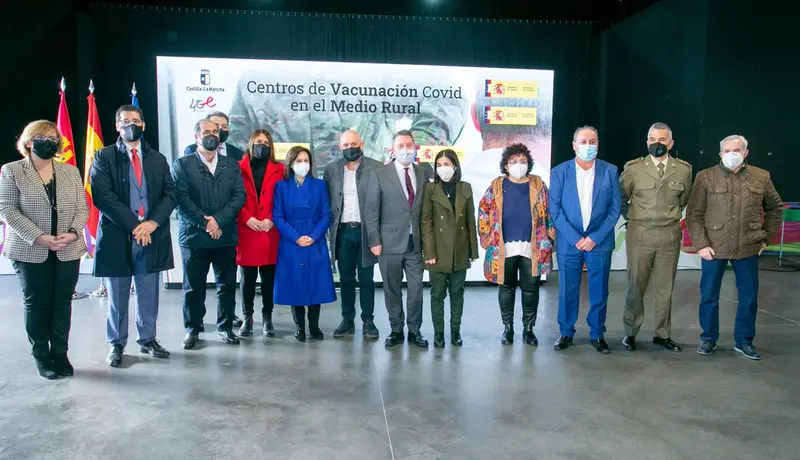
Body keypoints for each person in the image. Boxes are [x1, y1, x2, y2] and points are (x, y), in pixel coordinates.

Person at [0, 120, 88, 379]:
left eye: (53, 138)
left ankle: (60, 353)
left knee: (62, 304)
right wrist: (38, 237)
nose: (50, 143)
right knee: (37, 304)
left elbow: (83, 208)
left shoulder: (70, 172)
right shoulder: (11, 171)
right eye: (43, 138)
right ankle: (41, 356)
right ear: (29, 142)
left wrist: (72, 233)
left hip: (67, 249)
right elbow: (7, 209)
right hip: (30, 249)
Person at [90, 105, 176, 367]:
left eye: (136, 120)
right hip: (118, 234)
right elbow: (103, 196)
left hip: (151, 235)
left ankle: (148, 338)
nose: (131, 125)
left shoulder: (157, 159)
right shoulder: (103, 157)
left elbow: (170, 194)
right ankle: (116, 343)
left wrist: (151, 223)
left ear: (144, 125)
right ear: (117, 126)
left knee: (148, 291)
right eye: (125, 121)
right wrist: (134, 226)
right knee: (117, 293)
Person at [686, 135, 783, 360]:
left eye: (737, 149)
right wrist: (701, 244)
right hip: (713, 249)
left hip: (747, 248)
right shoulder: (705, 177)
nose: (732, 154)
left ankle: (744, 341)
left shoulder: (761, 177)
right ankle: (708, 338)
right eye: (727, 150)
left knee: (748, 298)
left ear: (746, 152)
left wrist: (765, 238)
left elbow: (775, 208)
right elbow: (694, 214)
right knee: (708, 296)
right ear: (720, 153)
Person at [173, 119, 246, 349]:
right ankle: (193, 328)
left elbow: (238, 197)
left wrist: (218, 221)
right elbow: (181, 200)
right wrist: (207, 223)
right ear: (197, 136)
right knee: (193, 287)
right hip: (194, 237)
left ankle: (225, 327)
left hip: (224, 235)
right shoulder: (182, 164)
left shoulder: (231, 165)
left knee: (226, 285)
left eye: (215, 131)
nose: (212, 135)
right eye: (206, 132)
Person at [620, 122, 693, 352]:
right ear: (647, 142)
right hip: (640, 233)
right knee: (635, 286)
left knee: (665, 288)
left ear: (670, 143)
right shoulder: (633, 169)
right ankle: (630, 333)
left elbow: (683, 200)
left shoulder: (683, 170)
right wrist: (636, 217)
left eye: (662, 140)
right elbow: (622, 198)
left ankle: (662, 334)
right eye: (652, 139)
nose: (656, 144)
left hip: (669, 235)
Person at [549, 126, 621, 354]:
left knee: (599, 290)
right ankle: (566, 332)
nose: (588, 145)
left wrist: (594, 238)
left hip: (599, 242)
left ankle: (597, 333)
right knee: (568, 290)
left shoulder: (610, 171)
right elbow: (555, 209)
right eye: (583, 141)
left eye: (592, 141)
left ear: (598, 144)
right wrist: (575, 238)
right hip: (570, 242)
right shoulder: (560, 172)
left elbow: (615, 208)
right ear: (574, 145)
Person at [478, 143, 555, 346]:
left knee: (531, 289)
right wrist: (486, 238)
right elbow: (483, 210)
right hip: (504, 247)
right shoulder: (496, 185)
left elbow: (550, 213)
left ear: (528, 164)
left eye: (522, 161)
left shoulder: (538, 185)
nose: (518, 165)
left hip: (533, 247)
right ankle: (508, 329)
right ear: (506, 166)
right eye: (513, 161)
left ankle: (529, 329)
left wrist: (550, 238)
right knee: (507, 288)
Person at [365, 130, 434, 348]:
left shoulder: (423, 173)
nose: (406, 149)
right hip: (388, 243)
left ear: (415, 147)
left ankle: (415, 330)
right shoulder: (379, 173)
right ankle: (396, 329)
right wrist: (374, 240)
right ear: (393, 149)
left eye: (409, 145)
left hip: (416, 243)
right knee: (392, 289)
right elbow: (371, 210)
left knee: (415, 291)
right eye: (401, 145)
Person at [273, 146, 336, 342]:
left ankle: (314, 326)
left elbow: (326, 215)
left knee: (315, 283)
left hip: (314, 240)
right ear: (290, 164)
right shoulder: (281, 186)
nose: (303, 165)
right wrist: (295, 237)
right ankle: (299, 327)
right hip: (291, 241)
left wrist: (314, 235)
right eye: (299, 161)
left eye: (306, 160)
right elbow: (277, 216)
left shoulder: (319, 185)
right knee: (296, 284)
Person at [323, 130, 382, 339]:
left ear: (362, 144)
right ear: (340, 147)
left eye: (353, 144)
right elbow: (327, 203)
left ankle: (368, 320)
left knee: (366, 279)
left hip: (367, 233)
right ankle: (347, 319)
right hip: (343, 233)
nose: (350, 148)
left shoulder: (376, 168)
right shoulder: (331, 170)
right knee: (346, 279)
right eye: (346, 145)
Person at [421, 149, 479, 348]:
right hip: (437, 252)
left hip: (460, 251)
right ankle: (438, 334)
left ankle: (455, 332)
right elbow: (426, 223)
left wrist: (473, 250)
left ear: (455, 165)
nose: (443, 168)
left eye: (447, 164)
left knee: (457, 294)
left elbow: (471, 220)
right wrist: (428, 253)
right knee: (437, 295)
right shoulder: (430, 189)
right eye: (439, 165)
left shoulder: (465, 187)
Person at [235, 129, 285, 338]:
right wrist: (247, 218)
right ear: (250, 144)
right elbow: (234, 197)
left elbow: (283, 198)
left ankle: (267, 317)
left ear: (271, 146)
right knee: (247, 277)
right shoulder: (238, 168)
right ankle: (247, 317)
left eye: (265, 142)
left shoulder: (280, 169)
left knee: (268, 277)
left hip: (269, 230)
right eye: (257, 141)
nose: (261, 145)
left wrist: (271, 219)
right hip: (247, 228)